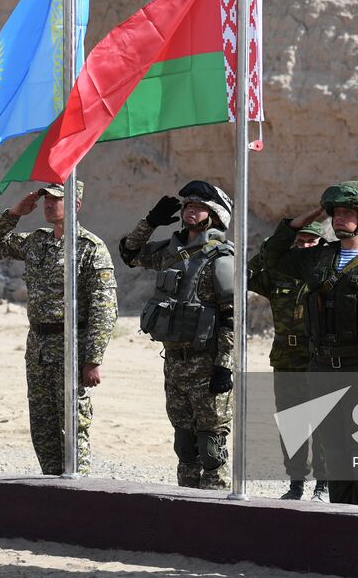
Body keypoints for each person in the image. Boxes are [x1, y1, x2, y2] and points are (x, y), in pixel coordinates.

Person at [260, 181, 358, 507]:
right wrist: (305, 219)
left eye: (347, 212)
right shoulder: (318, 259)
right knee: (333, 449)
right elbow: (271, 257)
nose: (338, 218)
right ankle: (342, 522)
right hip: (322, 370)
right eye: (335, 212)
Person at [0, 181, 117, 475]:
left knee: (73, 424)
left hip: (71, 347)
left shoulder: (90, 248)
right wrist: (15, 212)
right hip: (39, 347)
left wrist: (93, 359)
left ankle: (78, 491)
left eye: (56, 199)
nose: (48, 204)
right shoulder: (36, 242)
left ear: (75, 205)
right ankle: (51, 488)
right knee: (42, 427)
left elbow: (104, 308)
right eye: (46, 199)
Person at [121, 181, 236, 490]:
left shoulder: (221, 258)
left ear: (214, 216)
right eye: (188, 205)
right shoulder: (169, 252)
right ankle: (187, 506)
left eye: (199, 207)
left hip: (207, 362)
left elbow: (231, 318)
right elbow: (129, 253)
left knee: (211, 446)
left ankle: (217, 512)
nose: (190, 210)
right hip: (174, 362)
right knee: (185, 446)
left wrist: (224, 365)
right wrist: (150, 222)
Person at [248, 219, 327, 500]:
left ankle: (323, 483)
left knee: (322, 423)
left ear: (321, 245)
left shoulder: (328, 272)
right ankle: (296, 482)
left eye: (311, 241)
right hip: (286, 359)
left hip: (319, 360)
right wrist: (273, 246)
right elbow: (246, 274)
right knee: (292, 423)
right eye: (300, 241)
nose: (304, 246)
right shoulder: (279, 274)